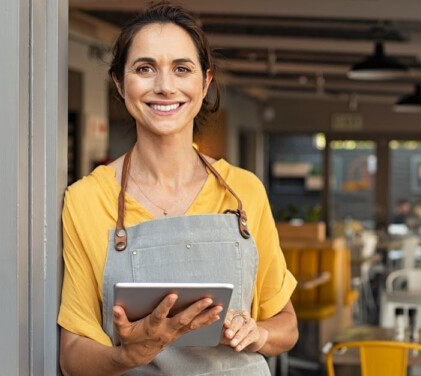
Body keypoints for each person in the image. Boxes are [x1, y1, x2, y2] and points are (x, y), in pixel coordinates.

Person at [57, 3, 298, 375]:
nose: (165, 86)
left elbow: (286, 325)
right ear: (120, 83)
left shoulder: (244, 191)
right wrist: (127, 355)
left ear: (204, 83)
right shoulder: (88, 200)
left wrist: (257, 333)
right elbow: (72, 354)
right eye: (144, 68)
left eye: (181, 69)